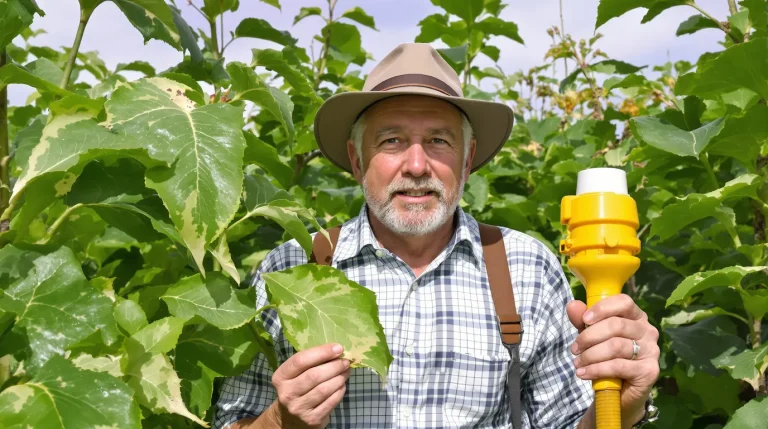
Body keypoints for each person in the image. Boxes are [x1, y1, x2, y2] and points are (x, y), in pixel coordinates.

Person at [213, 43, 660, 429]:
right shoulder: (292, 270)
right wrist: (281, 420)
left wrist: (624, 406)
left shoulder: (526, 268)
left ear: (467, 163)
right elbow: (232, 417)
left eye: (440, 142)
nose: (416, 165)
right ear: (355, 159)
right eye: (390, 141)